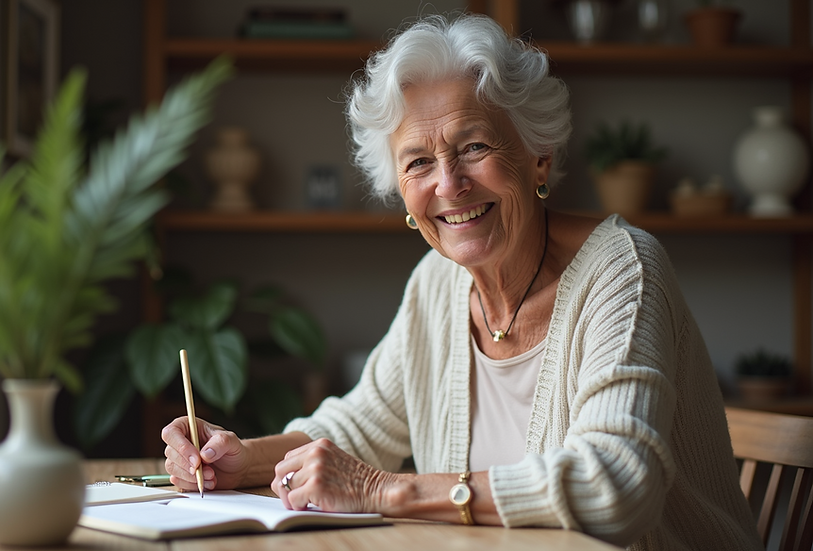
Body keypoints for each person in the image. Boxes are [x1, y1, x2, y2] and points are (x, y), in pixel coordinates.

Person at [162, 13, 762, 550]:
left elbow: (615, 486)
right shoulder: (436, 285)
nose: (449, 184)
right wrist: (239, 461)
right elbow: (357, 428)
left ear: (539, 156)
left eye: (474, 146)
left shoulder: (623, 270)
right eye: (418, 161)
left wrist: (384, 490)